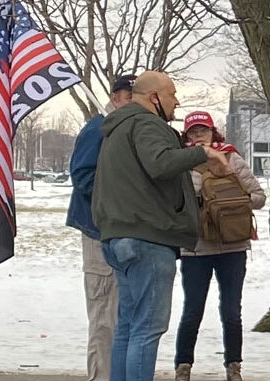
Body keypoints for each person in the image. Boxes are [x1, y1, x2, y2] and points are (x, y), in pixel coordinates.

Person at [92, 71, 231, 381]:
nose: (176, 101)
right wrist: (203, 152)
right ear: (153, 97)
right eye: (171, 94)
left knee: (128, 327)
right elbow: (159, 162)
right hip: (148, 239)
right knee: (146, 329)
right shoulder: (147, 123)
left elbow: (150, 166)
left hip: (119, 237)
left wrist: (190, 160)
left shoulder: (118, 129)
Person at [173, 111, 266, 381]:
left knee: (231, 311)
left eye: (203, 130)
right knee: (192, 310)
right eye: (193, 131)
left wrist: (233, 200)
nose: (199, 135)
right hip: (196, 248)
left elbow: (259, 197)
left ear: (214, 132)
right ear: (186, 135)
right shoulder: (181, 163)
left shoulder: (232, 157)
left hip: (233, 246)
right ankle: (183, 367)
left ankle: (234, 366)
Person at [66, 74, 136, 381]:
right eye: (135, 98)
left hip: (126, 235)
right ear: (118, 97)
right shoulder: (98, 128)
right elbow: (83, 178)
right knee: (104, 318)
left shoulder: (128, 130)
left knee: (125, 318)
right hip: (100, 234)